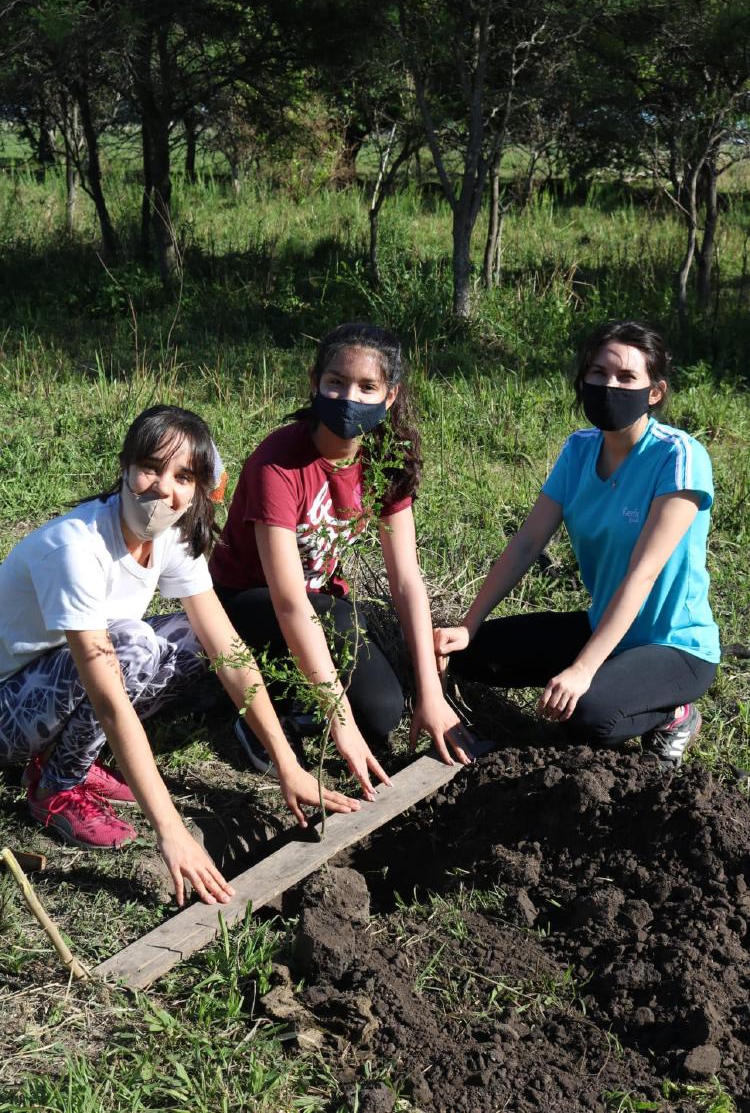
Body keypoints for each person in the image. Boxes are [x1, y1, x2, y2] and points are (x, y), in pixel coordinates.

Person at [0, 405, 358, 906]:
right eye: (150, 467)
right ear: (124, 467)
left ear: (197, 488)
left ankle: (67, 757)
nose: (163, 489)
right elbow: (109, 700)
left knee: (194, 642)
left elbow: (226, 648)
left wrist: (288, 764)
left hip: (60, 680)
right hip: (7, 708)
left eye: (183, 476)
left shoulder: (170, 536)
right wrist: (170, 829)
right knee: (132, 647)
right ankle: (54, 786)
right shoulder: (75, 550)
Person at [434, 320, 720, 770]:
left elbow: (642, 574)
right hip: (601, 625)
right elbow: (528, 542)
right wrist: (470, 623)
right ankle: (599, 675)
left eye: (627, 378)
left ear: (655, 392)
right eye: (598, 373)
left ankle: (674, 715)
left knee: (588, 716)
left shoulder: (679, 458)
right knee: (469, 656)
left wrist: (583, 670)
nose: (610, 386)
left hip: (672, 646)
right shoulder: (579, 449)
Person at [209, 323, 474, 800]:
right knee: (338, 628)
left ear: (390, 396)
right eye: (336, 382)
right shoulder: (279, 463)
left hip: (322, 602)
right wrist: (339, 721)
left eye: (367, 387)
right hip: (245, 603)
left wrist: (430, 691)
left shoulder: (385, 457)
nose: (349, 397)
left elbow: (406, 579)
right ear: (315, 382)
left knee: (384, 711)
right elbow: (289, 603)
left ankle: (308, 691)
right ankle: (265, 712)